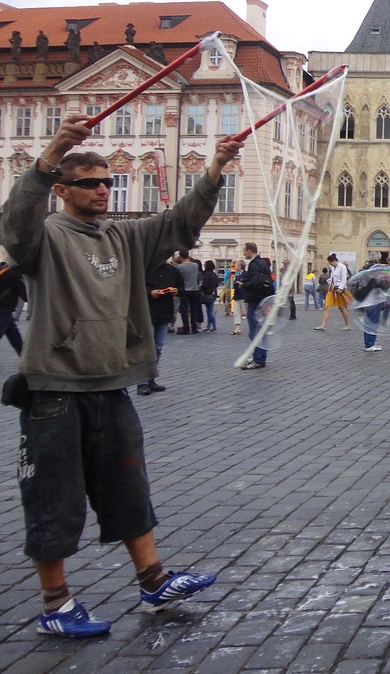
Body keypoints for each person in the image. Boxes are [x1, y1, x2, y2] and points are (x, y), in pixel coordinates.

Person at [0, 114, 239, 638]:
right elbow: (15, 222)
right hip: (55, 392)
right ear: (63, 190)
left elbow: (180, 224)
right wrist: (53, 150)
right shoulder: (43, 239)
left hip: (112, 387)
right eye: (91, 183)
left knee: (130, 490)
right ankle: (55, 603)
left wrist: (216, 166)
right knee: (54, 499)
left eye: (108, 181)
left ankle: (153, 580)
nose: (104, 190)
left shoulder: (125, 237)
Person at [138, 258, 182, 395]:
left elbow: (181, 287)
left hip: (164, 312)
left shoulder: (172, 270)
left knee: (158, 348)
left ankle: (151, 379)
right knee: (147, 348)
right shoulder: (144, 268)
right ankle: (142, 383)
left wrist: (176, 291)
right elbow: (136, 288)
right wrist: (150, 293)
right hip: (148, 313)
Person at [238, 243, 273, 370]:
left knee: (254, 331)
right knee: (261, 329)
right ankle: (260, 357)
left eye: (244, 251)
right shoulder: (263, 263)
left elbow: (256, 280)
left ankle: (258, 359)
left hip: (255, 299)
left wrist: (244, 285)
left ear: (249, 251)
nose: (244, 253)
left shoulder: (253, 264)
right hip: (264, 299)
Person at [314, 253, 351, 331]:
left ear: (334, 261)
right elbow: (333, 278)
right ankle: (322, 325)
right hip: (332, 289)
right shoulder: (333, 268)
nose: (329, 264)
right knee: (327, 306)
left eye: (330, 262)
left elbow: (344, 279)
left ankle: (347, 324)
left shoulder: (342, 267)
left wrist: (341, 288)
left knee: (342, 307)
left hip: (340, 290)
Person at [0, 259, 28, 357]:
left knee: (13, 333)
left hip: (5, 308)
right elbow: (23, 293)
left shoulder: (3, 272)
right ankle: (24, 356)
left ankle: (24, 356)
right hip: (4, 308)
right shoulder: (13, 274)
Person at [175, 250, 200, 333]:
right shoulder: (195, 265)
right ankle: (194, 328)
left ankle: (186, 328)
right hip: (195, 289)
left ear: (181, 257)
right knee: (193, 309)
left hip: (185, 290)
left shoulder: (180, 267)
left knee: (184, 310)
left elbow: (178, 278)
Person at [200, 260, 219, 332]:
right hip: (214, 293)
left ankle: (213, 326)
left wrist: (201, 289)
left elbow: (204, 285)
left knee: (210, 311)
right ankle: (209, 326)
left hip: (208, 294)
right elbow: (217, 284)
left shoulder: (207, 275)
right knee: (209, 310)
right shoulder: (214, 274)